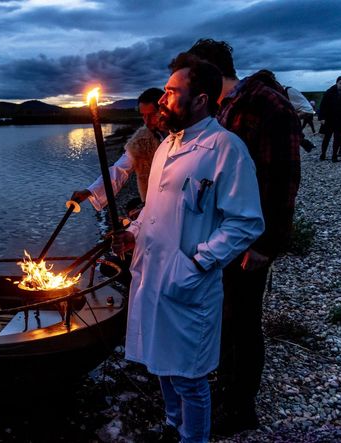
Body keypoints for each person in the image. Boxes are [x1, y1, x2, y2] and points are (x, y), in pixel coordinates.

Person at [112, 53, 264, 443]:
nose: (162, 99)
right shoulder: (167, 146)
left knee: (190, 376)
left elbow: (246, 221)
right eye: (164, 91)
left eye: (171, 92)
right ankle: (172, 426)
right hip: (152, 273)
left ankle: (193, 438)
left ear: (199, 99)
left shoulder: (225, 148)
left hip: (187, 280)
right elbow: (154, 208)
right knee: (161, 364)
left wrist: (198, 261)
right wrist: (133, 232)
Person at [186, 38, 302, 434]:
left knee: (243, 319)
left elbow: (283, 178)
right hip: (223, 234)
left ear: (208, 70)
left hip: (250, 240)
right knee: (224, 316)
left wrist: (266, 244)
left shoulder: (268, 105)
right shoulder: (224, 107)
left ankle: (240, 409)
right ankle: (225, 390)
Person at [71, 87, 166, 213]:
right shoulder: (142, 140)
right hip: (154, 210)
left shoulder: (184, 137)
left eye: (152, 115)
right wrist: (89, 191)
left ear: (164, 110)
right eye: (143, 116)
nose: (147, 122)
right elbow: (120, 170)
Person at [318, 76, 341, 161]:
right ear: (337, 83)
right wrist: (322, 118)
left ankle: (334, 156)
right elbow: (322, 106)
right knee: (327, 138)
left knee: (338, 138)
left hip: (340, 119)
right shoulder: (329, 92)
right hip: (329, 119)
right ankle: (323, 154)